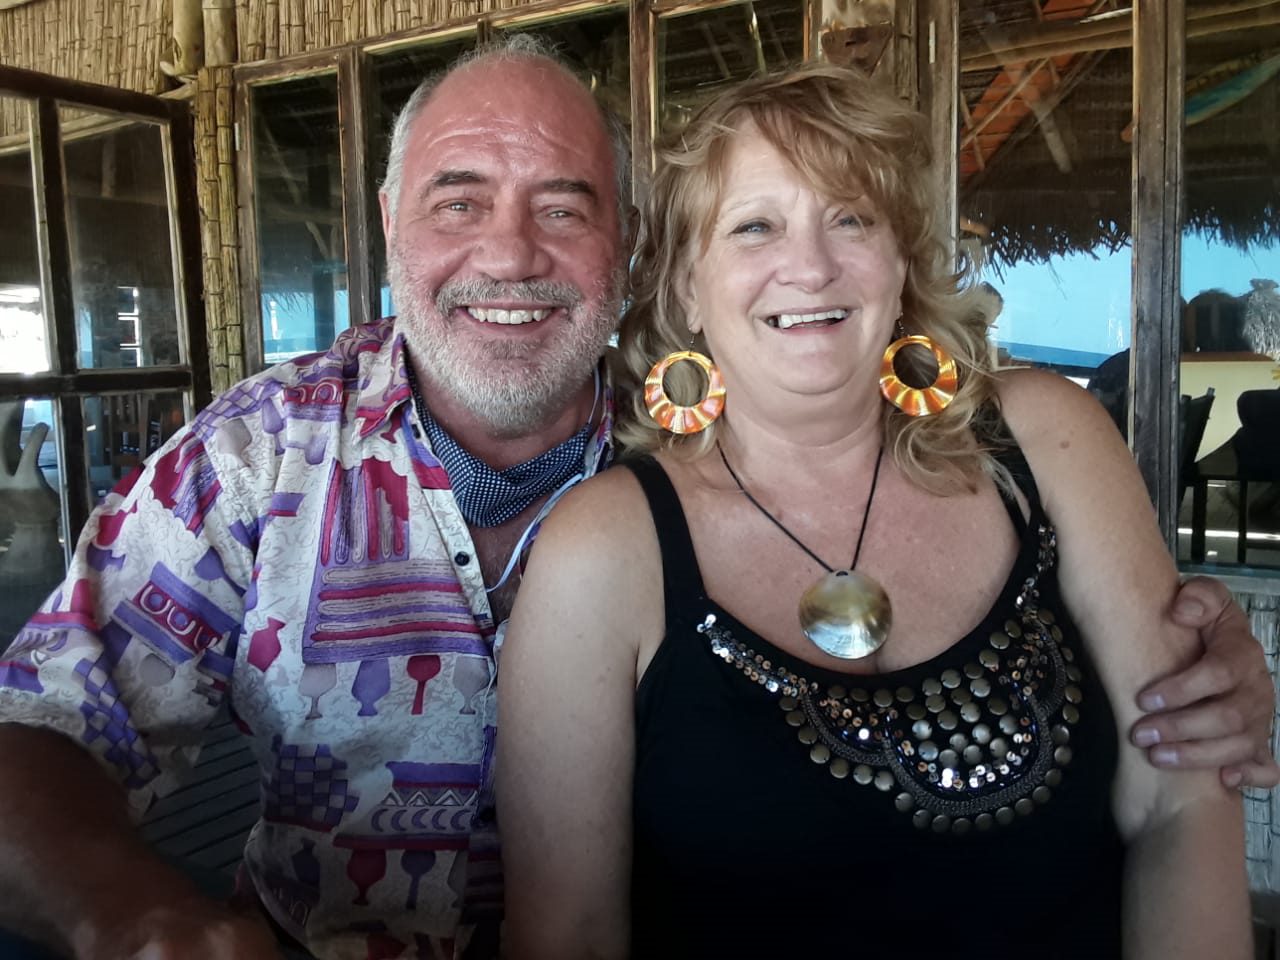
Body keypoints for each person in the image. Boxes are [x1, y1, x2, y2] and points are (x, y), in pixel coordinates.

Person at [0, 39, 1268, 960]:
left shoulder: (711, 430)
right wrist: (130, 913)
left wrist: (1180, 654)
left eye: (562, 206)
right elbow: (34, 724)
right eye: (458, 200)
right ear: (388, 221)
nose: (509, 253)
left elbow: (1164, 770)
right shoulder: (258, 459)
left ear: (627, 250)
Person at [498, 63, 1256, 959]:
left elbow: (1181, 799)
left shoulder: (1044, 440)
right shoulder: (604, 546)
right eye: (754, 227)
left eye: (852, 218)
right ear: (688, 289)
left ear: (901, 265)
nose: (810, 266)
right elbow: (570, 933)